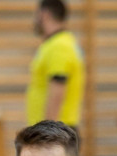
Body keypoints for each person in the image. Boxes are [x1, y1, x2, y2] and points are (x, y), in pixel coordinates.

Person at [26, 0, 84, 133]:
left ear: (44, 14)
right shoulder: (56, 43)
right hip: (57, 130)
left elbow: (57, 91)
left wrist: (47, 134)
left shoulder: (59, 46)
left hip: (57, 133)